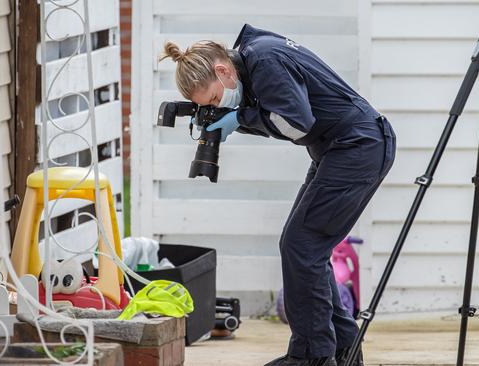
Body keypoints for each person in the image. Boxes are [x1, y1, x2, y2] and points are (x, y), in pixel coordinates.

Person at [160, 24, 396, 366]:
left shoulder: (265, 61)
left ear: (223, 70)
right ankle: (344, 348)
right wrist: (234, 116)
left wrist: (238, 118)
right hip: (340, 148)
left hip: (358, 146)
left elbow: (295, 123)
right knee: (304, 246)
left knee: (302, 245)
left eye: (213, 98)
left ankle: (312, 355)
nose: (217, 104)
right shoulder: (254, 60)